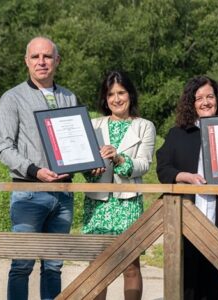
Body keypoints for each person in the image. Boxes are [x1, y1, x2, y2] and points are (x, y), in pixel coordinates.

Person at [0, 36, 77, 300]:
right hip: (29, 192)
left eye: (47, 56)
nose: (41, 62)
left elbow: (75, 141)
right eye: (35, 57)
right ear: (26, 61)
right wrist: (34, 171)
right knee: (22, 265)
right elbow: (4, 148)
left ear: (57, 61)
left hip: (64, 195)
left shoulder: (68, 97)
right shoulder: (12, 98)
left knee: (54, 267)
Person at [156, 75, 218, 300]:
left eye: (210, 96)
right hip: (186, 220)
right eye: (199, 98)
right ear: (191, 103)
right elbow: (163, 169)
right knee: (187, 286)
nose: (205, 102)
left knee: (214, 285)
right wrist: (183, 177)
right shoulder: (178, 134)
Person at [82, 71, 156, 300]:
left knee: (131, 265)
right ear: (105, 98)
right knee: (97, 266)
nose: (116, 99)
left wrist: (119, 158)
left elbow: (144, 164)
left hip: (128, 201)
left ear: (130, 95)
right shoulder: (92, 125)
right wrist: (90, 168)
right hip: (98, 203)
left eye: (121, 93)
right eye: (111, 94)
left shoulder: (145, 126)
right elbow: (84, 164)